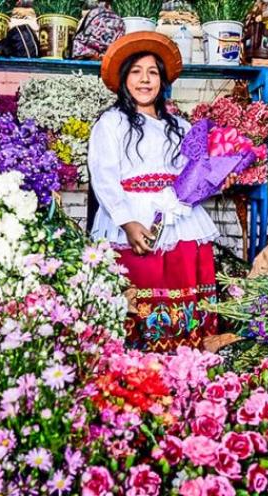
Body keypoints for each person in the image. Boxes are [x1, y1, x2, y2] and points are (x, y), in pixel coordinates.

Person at [88, 32, 218, 353]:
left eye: (153, 73)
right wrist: (127, 221)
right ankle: (136, 366)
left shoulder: (182, 126)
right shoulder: (111, 123)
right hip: (133, 219)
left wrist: (207, 179)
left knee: (181, 286)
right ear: (123, 80)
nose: (145, 80)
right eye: (136, 72)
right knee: (138, 290)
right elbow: (103, 177)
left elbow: (195, 174)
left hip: (180, 221)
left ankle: (185, 365)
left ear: (162, 80)